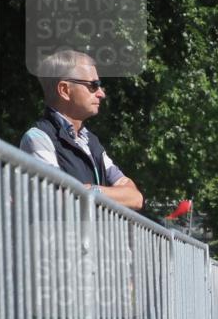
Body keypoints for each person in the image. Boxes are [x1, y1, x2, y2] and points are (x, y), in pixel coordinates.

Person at [20, 50, 143, 210]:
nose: (101, 93)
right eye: (93, 85)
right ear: (64, 90)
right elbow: (59, 197)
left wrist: (92, 191)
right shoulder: (38, 139)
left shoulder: (91, 142)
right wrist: (102, 194)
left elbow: (135, 198)